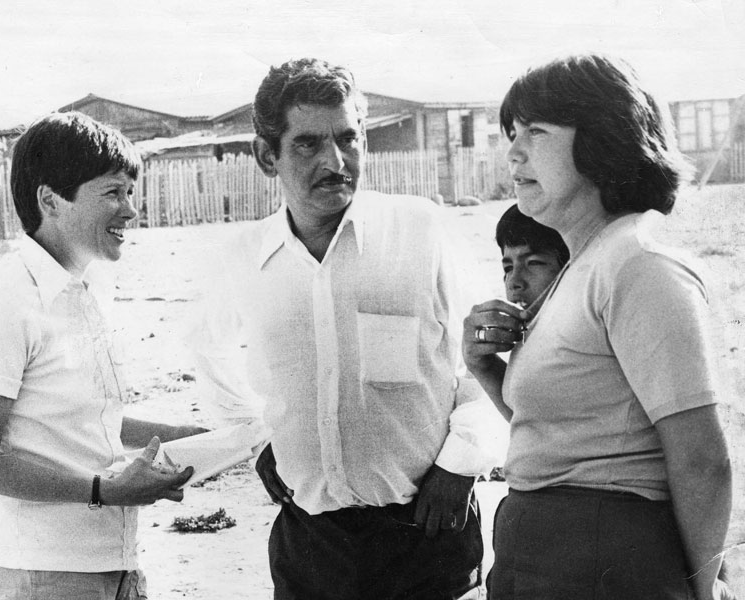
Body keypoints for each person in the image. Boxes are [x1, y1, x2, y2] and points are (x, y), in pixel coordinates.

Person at [190, 58, 484, 599]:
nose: (335, 161)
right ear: (265, 155)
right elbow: (207, 350)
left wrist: (461, 463)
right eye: (307, 144)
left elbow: (485, 358)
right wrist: (258, 439)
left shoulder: (420, 232)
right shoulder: (244, 259)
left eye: (348, 138)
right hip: (311, 542)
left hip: (428, 529)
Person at [462, 54, 735, 600]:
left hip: (606, 562)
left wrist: (701, 591)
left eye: (535, 132)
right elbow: (570, 431)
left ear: (603, 139)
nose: (513, 152)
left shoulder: (638, 263)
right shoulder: (584, 264)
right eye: (512, 133)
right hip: (545, 555)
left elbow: (701, 457)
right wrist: (484, 369)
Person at [0, 112, 205, 600]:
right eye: (113, 193)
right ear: (50, 200)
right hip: (43, 576)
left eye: (131, 193)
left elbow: (80, 418)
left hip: (115, 566)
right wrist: (102, 491)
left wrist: (177, 437)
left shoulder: (86, 287)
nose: (131, 210)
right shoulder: (12, 298)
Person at [478, 203, 568, 422]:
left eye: (533, 262)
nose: (514, 281)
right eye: (508, 268)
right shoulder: (533, 333)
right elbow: (531, 427)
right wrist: (483, 365)